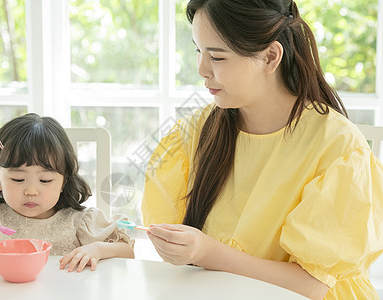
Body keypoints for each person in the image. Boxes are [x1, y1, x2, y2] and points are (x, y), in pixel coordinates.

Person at [141, 0, 383, 299]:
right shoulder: (197, 130)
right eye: (198, 51)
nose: (202, 70)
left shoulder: (337, 147)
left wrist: (207, 252)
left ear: (270, 57)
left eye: (217, 56)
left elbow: (312, 284)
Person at [0, 113, 134, 272]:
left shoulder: (80, 222)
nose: (30, 190)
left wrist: (97, 249)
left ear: (64, 181)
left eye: (45, 180)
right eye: (18, 179)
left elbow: (128, 253)